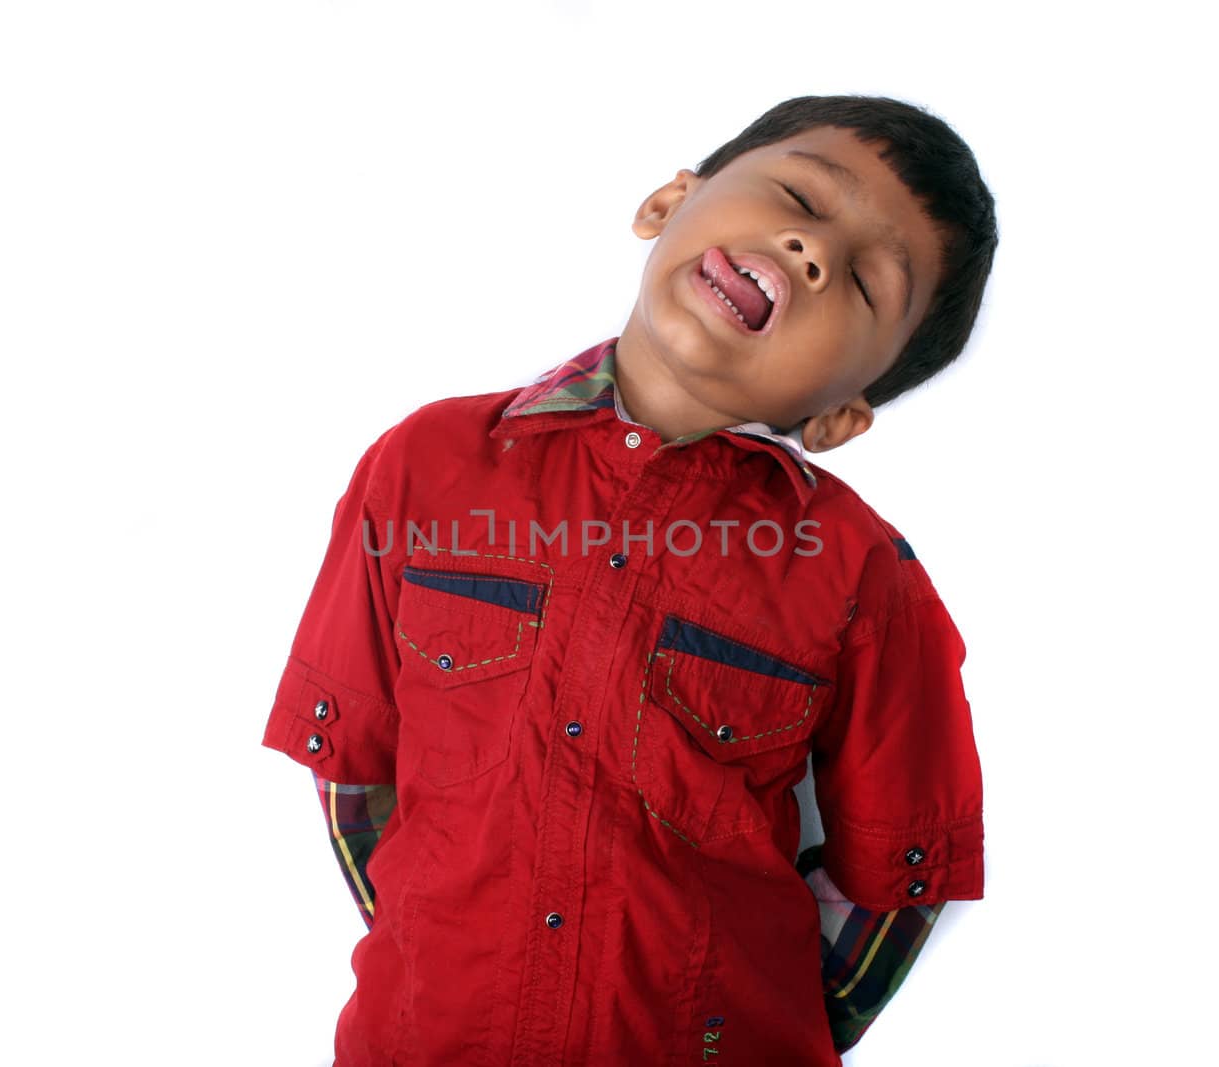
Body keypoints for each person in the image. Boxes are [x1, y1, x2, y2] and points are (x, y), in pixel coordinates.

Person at [261, 93, 998, 1066]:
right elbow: (355, 763)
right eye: (796, 196)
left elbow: (893, 877)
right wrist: (442, 954)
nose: (811, 250)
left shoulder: (863, 575)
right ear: (668, 200)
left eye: (864, 281)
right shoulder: (423, 465)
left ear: (841, 415)